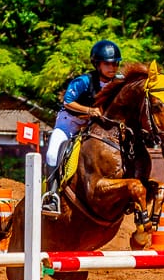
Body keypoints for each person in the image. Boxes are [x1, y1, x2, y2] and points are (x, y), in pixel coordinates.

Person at [41, 39, 122, 214]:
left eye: (115, 63)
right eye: (107, 63)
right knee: (52, 153)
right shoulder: (83, 81)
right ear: (97, 64)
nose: (112, 67)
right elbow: (68, 102)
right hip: (69, 124)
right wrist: (89, 110)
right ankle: (51, 195)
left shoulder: (118, 83)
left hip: (94, 127)